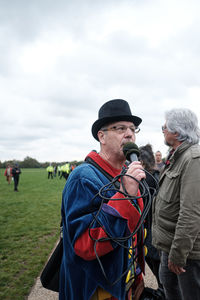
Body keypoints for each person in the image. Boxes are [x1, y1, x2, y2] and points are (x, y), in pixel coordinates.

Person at [59, 99, 147, 300]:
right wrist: (124, 195)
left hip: (127, 283)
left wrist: (137, 274)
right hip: (96, 289)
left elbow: (134, 232)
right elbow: (86, 246)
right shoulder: (83, 178)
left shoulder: (127, 174)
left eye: (133, 129)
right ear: (102, 136)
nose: (129, 134)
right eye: (120, 128)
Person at [152, 108, 200, 300]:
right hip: (171, 245)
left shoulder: (194, 159)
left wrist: (179, 254)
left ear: (177, 131)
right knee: (169, 286)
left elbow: (191, 212)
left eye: (165, 126)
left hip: (187, 252)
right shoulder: (177, 155)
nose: (162, 129)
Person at [139, 144, 164, 297]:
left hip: (150, 237)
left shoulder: (144, 180)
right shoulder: (159, 175)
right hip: (159, 235)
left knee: (164, 280)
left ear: (141, 162)